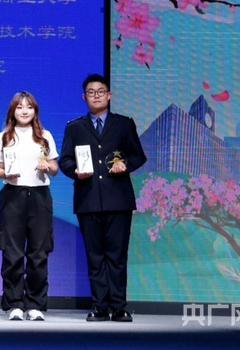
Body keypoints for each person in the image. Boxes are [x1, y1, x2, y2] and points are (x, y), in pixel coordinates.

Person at [59, 74, 146, 322]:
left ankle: (118, 307)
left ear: (109, 95)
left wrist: (125, 165)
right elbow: (65, 160)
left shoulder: (124, 124)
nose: (96, 96)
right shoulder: (75, 127)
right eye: (91, 92)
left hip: (118, 200)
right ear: (83, 97)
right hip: (87, 200)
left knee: (117, 257)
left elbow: (138, 155)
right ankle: (99, 306)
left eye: (100, 91)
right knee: (95, 257)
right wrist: (75, 170)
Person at [0, 91, 58, 321]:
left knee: (39, 252)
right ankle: (14, 304)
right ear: (13, 111)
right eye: (19, 107)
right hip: (13, 196)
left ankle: (35, 304)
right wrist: (6, 174)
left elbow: (54, 167)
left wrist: (47, 167)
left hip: (39, 196)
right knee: (12, 253)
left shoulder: (44, 136)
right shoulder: (4, 136)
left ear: (35, 111)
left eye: (29, 107)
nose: (24, 111)